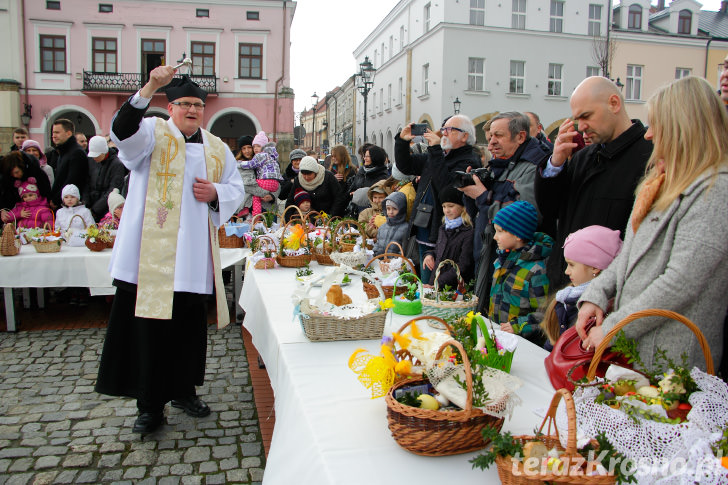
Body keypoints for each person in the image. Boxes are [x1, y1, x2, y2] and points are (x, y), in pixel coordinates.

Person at [94, 66, 245, 435]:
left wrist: (217, 194)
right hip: (147, 261)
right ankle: (149, 405)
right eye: (184, 104)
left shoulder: (216, 147)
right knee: (148, 334)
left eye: (198, 104)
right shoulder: (151, 134)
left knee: (187, 332)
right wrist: (150, 86)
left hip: (191, 261)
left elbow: (237, 188)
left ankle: (183, 391)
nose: (192, 110)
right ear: (171, 107)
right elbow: (121, 131)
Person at [576, 76, 728, 372]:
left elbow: (681, 283)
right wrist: (595, 294)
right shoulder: (661, 183)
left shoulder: (715, 189)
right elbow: (629, 255)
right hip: (639, 351)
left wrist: (613, 328)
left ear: (684, 128)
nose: (649, 135)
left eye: (657, 124)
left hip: (674, 363)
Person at [535, 76, 652, 288]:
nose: (582, 127)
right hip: (564, 282)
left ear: (614, 103)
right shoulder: (583, 156)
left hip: (605, 291)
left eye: (586, 116)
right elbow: (550, 211)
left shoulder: (648, 157)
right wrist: (555, 163)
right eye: (577, 119)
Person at [461, 111, 551, 313]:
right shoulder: (499, 163)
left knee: (500, 318)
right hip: (488, 249)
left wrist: (484, 197)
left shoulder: (534, 166)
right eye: (490, 135)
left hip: (515, 262)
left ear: (520, 136)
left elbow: (525, 216)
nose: (491, 142)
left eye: (498, 135)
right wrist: (470, 193)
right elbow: (478, 213)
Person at [394, 115, 481, 283]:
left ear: (465, 136)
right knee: (422, 280)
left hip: (444, 231)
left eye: (449, 130)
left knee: (434, 282)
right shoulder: (439, 155)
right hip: (424, 225)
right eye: (443, 129)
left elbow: (447, 190)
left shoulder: (468, 160)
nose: (444, 134)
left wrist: (434, 149)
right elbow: (406, 166)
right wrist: (402, 142)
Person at [540, 226, 622, 350]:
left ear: (595, 267)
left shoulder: (599, 310)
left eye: (571, 265)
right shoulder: (567, 297)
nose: (567, 271)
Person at [488, 201, 552, 346]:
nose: (494, 237)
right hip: (499, 337)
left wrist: (518, 325)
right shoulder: (503, 259)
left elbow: (545, 313)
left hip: (522, 343)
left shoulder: (536, 270)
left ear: (517, 235)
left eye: (499, 231)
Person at [422, 185, 474, 289]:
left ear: (462, 207)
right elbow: (438, 250)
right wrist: (429, 255)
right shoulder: (443, 228)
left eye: (451, 206)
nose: (447, 210)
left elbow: (463, 264)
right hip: (436, 282)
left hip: (453, 288)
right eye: (444, 206)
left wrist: (439, 282)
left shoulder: (468, 232)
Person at [237, 132, 282, 216]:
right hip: (248, 208)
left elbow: (278, 184)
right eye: (243, 148)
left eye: (249, 147)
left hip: (268, 208)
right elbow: (245, 186)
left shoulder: (269, 160)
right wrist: (265, 193)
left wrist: (272, 196)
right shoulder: (240, 166)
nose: (247, 151)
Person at [49, 119, 89, 210]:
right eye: (53, 133)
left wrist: (57, 199)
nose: (53, 136)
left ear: (68, 133)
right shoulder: (63, 152)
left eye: (57, 132)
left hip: (71, 205)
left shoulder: (77, 153)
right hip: (62, 205)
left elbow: (73, 180)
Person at [85, 135, 126, 221]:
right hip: (91, 206)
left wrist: (95, 209)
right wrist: (86, 203)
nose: (94, 158)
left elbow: (113, 189)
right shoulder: (91, 161)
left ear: (104, 152)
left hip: (106, 209)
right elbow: (87, 182)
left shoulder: (117, 164)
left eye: (97, 155)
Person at [347, 145, 390, 216]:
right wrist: (351, 193)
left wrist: (360, 194)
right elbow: (353, 187)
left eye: (367, 156)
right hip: (356, 210)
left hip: (371, 213)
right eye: (364, 156)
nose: (364, 158)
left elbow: (379, 196)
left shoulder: (382, 175)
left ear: (375, 157)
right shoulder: (361, 171)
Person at [372, 191, 408, 256]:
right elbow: (378, 244)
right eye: (388, 209)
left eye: (395, 209)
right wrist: (375, 253)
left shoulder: (406, 228)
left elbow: (404, 250)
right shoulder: (382, 227)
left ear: (401, 209)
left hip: (395, 264)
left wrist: (395, 262)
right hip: (380, 262)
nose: (391, 212)